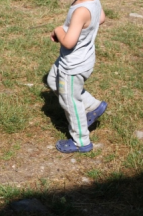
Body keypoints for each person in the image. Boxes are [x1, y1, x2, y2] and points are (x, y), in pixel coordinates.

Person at [46, 0, 107, 153]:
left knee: (70, 102)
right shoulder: (93, 2)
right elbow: (101, 18)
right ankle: (93, 106)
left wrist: (59, 30)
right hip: (80, 58)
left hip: (73, 66)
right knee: (52, 80)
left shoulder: (80, 11)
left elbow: (68, 42)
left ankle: (81, 141)